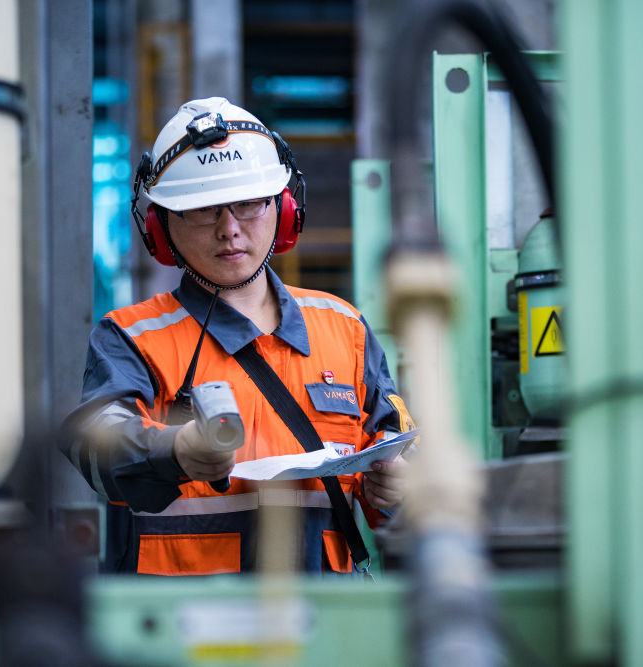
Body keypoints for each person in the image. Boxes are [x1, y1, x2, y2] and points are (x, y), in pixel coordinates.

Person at [62, 98, 413, 576]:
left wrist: (398, 487)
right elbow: (93, 447)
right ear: (161, 227)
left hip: (321, 616)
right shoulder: (130, 339)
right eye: (203, 210)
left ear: (283, 209)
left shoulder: (344, 327)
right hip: (175, 618)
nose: (229, 230)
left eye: (248, 203)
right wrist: (175, 451)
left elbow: (396, 448)